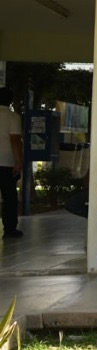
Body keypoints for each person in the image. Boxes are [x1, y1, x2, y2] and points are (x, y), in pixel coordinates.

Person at [0, 86, 23, 240]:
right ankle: (9, 229)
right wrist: (18, 161)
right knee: (9, 197)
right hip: (6, 162)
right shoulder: (13, 117)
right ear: (10, 100)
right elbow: (15, 140)